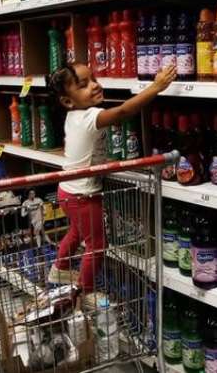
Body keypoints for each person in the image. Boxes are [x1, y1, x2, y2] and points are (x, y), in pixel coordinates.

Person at [46, 62, 176, 290]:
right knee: (97, 245)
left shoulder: (73, 116)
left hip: (67, 190)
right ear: (68, 101)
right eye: (84, 85)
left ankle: (60, 270)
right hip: (83, 195)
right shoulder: (88, 117)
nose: (95, 86)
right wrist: (156, 87)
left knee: (76, 232)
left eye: (93, 79)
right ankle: (84, 291)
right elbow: (123, 111)